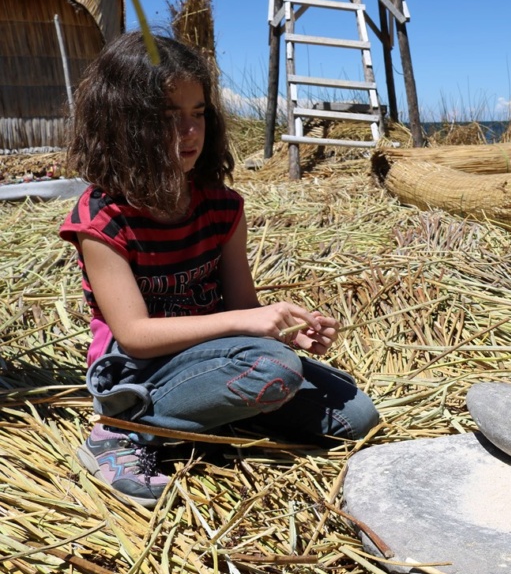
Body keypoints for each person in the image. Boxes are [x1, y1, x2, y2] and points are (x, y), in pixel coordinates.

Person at [59, 32, 379, 509]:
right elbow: (134, 335)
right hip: (140, 371)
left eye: (198, 114)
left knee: (355, 415)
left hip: (215, 358)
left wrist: (286, 332)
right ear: (123, 125)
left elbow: (242, 308)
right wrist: (251, 332)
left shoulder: (222, 208)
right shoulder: (103, 218)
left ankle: (213, 408)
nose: (189, 132)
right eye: (168, 118)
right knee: (271, 369)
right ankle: (121, 430)